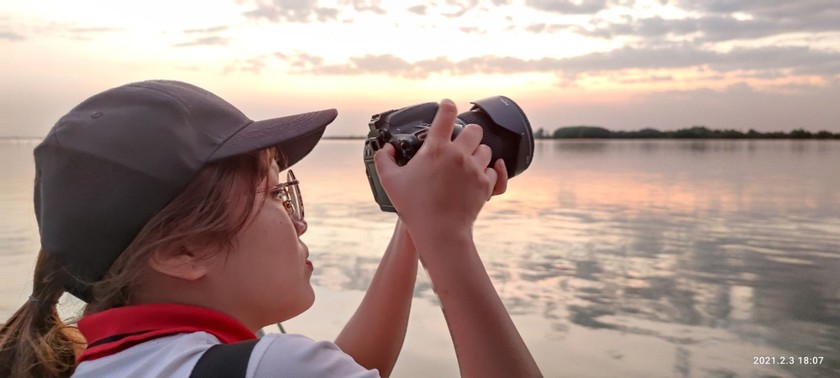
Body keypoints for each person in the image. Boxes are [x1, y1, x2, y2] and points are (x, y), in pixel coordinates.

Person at [0, 80, 541, 377]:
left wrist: (416, 223)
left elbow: (354, 369)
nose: (301, 222)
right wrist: (447, 238)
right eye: (276, 196)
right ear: (184, 249)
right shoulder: (275, 368)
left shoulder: (99, 366)